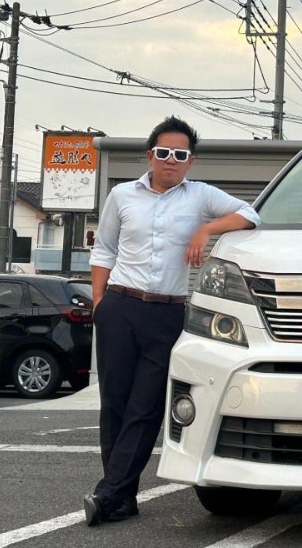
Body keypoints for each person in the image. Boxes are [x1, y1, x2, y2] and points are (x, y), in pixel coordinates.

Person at [83, 115, 260, 526]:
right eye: (164, 152)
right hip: (120, 306)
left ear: (190, 161)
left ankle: (109, 493)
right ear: (150, 155)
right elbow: (104, 249)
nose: (171, 160)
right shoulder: (122, 196)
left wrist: (207, 230)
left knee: (146, 406)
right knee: (114, 404)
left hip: (167, 313)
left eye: (180, 155)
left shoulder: (200, 196)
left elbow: (251, 214)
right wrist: (99, 303)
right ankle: (121, 497)